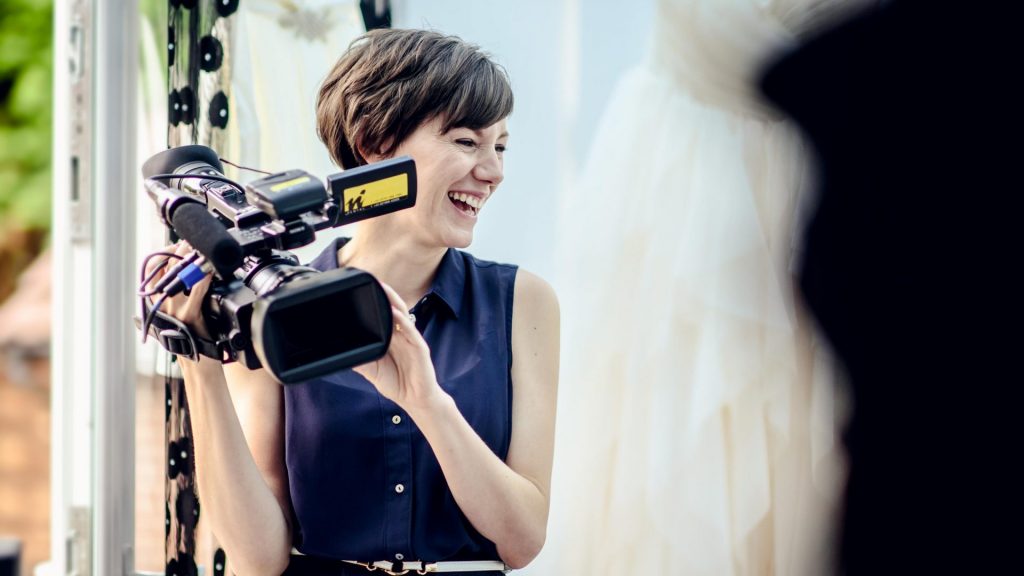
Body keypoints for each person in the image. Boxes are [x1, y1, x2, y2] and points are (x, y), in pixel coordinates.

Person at [148, 28, 559, 576]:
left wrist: (427, 403)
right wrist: (198, 363)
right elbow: (259, 557)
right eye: (466, 141)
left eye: (499, 146)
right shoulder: (275, 307)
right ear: (373, 142)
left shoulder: (522, 303)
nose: (493, 171)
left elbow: (523, 539)